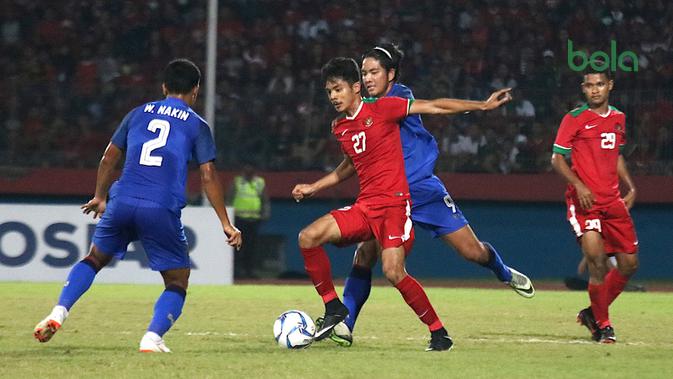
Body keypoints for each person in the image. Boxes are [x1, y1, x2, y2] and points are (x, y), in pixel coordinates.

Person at [292, 57, 512, 351]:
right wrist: (314, 187)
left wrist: (482, 106)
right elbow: (349, 166)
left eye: (338, 89)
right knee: (308, 237)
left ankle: (439, 332)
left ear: (355, 88)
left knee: (394, 271)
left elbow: (435, 105)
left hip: (395, 207)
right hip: (366, 208)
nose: (333, 96)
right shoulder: (340, 127)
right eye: (329, 91)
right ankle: (334, 309)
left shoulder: (384, 108)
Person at [33, 59, 242, 352]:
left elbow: (109, 157)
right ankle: (152, 337)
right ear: (196, 91)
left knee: (94, 259)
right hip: (160, 206)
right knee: (177, 280)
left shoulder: (137, 113)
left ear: (164, 87)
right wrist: (225, 223)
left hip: (122, 199)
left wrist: (100, 196)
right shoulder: (197, 124)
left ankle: (58, 312)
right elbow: (208, 175)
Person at [550, 65, 639, 344]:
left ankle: (593, 312)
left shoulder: (619, 119)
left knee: (629, 264)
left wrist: (632, 186)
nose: (595, 90)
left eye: (599, 84)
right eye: (589, 85)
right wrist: (578, 185)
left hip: (612, 201)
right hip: (584, 202)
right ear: (583, 88)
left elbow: (616, 155)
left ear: (609, 85)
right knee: (597, 262)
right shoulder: (574, 118)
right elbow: (556, 159)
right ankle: (603, 324)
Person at [226, 164, 270, 279]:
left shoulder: (259, 183)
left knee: (252, 247)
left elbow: (265, 200)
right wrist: (228, 217)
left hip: (254, 219)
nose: (249, 171)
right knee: (237, 247)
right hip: (239, 219)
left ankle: (250, 271)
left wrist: (265, 213)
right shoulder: (237, 182)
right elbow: (229, 199)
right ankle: (236, 271)